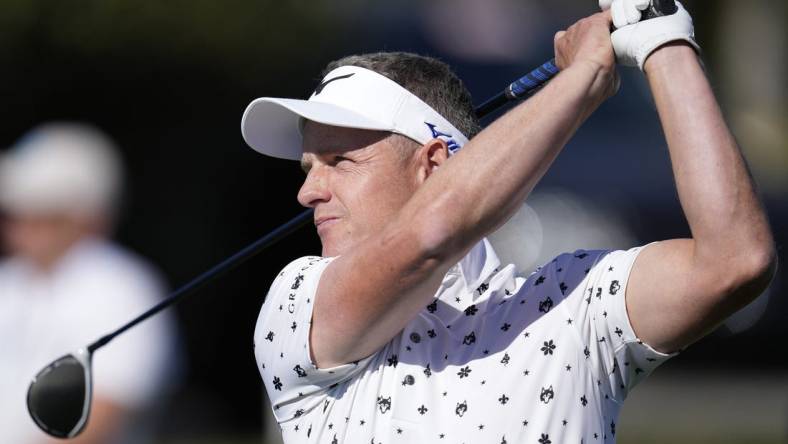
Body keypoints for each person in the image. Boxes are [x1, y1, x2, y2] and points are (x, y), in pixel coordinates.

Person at [241, 1, 776, 443]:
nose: (307, 191)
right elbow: (428, 239)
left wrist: (665, 41)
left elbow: (735, 262)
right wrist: (584, 78)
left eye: (341, 162)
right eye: (309, 168)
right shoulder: (295, 300)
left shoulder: (574, 304)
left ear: (432, 165)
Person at [0, 123, 180, 444]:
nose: (18, 226)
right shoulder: (11, 280)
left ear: (82, 215)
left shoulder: (123, 286)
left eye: (40, 214)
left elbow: (104, 414)